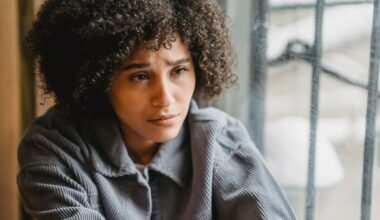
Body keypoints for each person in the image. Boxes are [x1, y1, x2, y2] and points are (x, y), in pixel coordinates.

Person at [17, 0, 297, 219]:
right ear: (98, 79)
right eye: (140, 76)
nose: (165, 98)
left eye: (179, 70)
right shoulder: (54, 150)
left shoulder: (220, 141)